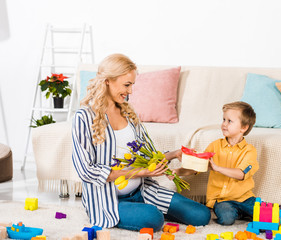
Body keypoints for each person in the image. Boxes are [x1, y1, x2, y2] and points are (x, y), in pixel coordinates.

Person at [72, 53, 210, 231]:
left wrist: (174, 154)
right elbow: (86, 171)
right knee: (153, 218)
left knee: (201, 215)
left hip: (142, 191)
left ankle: (145, 207)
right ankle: (120, 213)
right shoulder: (84, 117)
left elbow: (147, 155)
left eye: (132, 85)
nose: (130, 92)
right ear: (108, 81)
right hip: (106, 198)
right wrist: (139, 172)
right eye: (127, 85)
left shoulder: (128, 113)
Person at [175, 101, 259, 225]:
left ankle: (244, 211)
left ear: (244, 128)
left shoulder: (249, 151)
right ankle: (238, 212)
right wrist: (177, 172)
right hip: (222, 200)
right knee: (227, 219)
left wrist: (217, 168)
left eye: (229, 121)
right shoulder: (214, 146)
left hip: (245, 198)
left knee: (270, 217)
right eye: (223, 119)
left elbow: (241, 174)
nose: (224, 124)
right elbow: (197, 168)